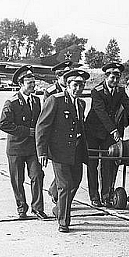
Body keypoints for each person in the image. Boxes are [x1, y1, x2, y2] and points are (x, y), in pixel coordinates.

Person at [36, 68, 90, 233]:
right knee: (65, 185)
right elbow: (42, 126)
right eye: (74, 85)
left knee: (76, 181)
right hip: (59, 151)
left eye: (81, 85)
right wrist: (42, 151)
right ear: (67, 85)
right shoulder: (55, 100)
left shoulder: (81, 103)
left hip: (76, 151)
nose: (77, 89)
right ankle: (63, 222)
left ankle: (58, 204)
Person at [85, 63, 129, 207]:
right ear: (106, 77)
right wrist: (113, 130)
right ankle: (94, 196)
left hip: (109, 134)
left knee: (108, 163)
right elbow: (101, 113)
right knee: (92, 165)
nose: (115, 81)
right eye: (112, 77)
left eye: (118, 78)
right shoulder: (96, 91)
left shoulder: (119, 91)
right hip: (94, 132)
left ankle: (106, 196)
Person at [0, 65, 47, 220]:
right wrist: (26, 131)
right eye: (29, 83)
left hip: (32, 148)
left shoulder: (36, 100)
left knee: (37, 175)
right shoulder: (11, 102)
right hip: (16, 148)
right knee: (18, 180)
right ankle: (21, 208)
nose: (33, 85)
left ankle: (37, 208)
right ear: (21, 84)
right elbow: (4, 124)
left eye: (34, 82)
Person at [44, 60, 78, 204]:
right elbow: (45, 117)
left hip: (70, 138)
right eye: (64, 75)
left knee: (68, 173)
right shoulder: (51, 92)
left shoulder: (75, 89)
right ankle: (58, 197)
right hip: (56, 137)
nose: (67, 77)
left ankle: (59, 196)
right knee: (63, 173)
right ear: (58, 76)